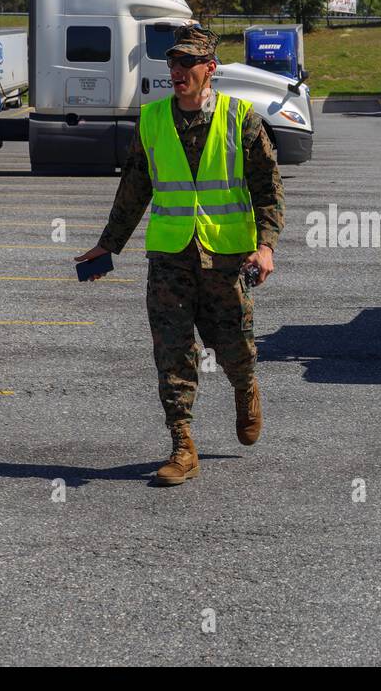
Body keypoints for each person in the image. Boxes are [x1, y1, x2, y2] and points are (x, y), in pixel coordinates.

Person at [75, 24, 285, 486]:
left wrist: (266, 246)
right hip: (169, 256)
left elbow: (268, 189)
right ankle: (182, 445)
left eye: (188, 62)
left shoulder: (241, 118)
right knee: (172, 350)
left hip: (226, 257)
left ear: (210, 69)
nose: (178, 70)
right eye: (173, 62)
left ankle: (245, 387)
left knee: (234, 347)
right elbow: (134, 187)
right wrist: (108, 245)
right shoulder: (151, 120)